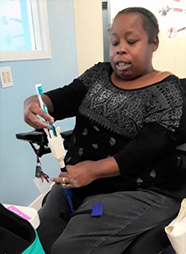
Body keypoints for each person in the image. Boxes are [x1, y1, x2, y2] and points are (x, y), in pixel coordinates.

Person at [24, 7, 186, 254]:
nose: (121, 48)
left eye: (131, 41)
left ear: (153, 43)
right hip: (80, 180)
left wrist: (93, 170)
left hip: (139, 190)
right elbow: (63, 97)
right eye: (114, 42)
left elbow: (147, 148)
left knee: (66, 249)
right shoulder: (99, 75)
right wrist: (34, 103)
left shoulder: (168, 92)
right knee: (37, 239)